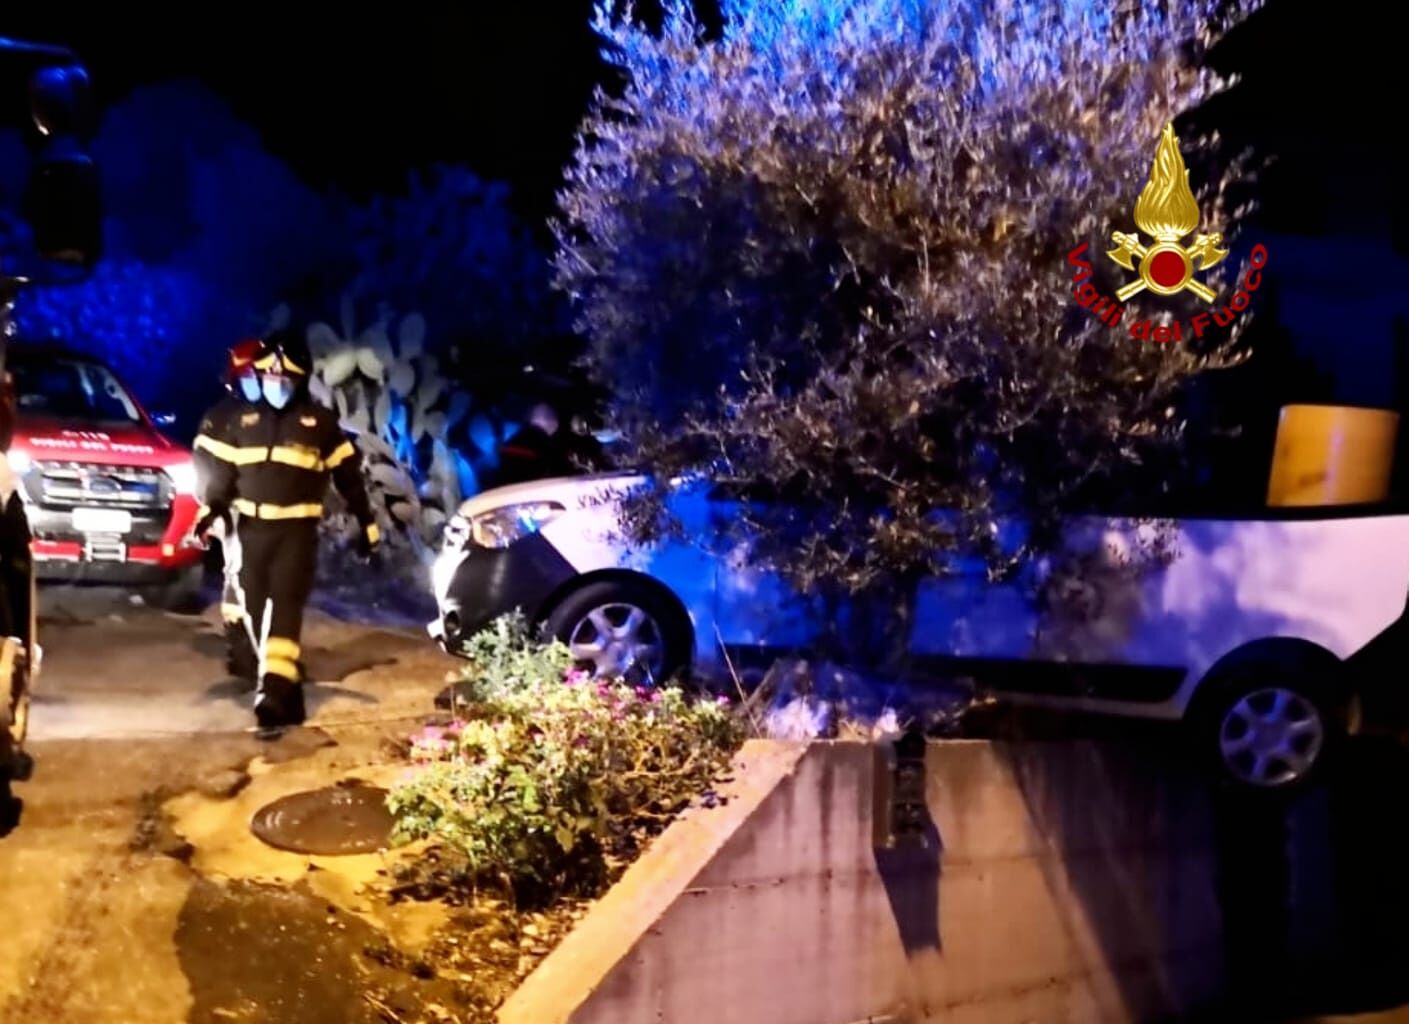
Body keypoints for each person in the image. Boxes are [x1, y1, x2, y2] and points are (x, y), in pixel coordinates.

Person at [193, 328, 380, 729]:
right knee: (254, 611)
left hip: (295, 534)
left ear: (300, 379)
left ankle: (272, 693)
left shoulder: (320, 424)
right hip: (251, 532)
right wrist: (209, 514)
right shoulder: (242, 422)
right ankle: (287, 692)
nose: (274, 384)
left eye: (283, 378)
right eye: (269, 376)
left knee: (283, 609)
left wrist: (367, 523)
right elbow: (222, 479)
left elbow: (349, 479)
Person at [193, 338, 264, 685]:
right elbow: (207, 468)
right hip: (238, 511)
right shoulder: (229, 418)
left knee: (239, 577)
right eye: (253, 375)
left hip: (247, 511)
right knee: (245, 577)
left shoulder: (226, 415)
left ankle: (244, 651)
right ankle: (247, 653)